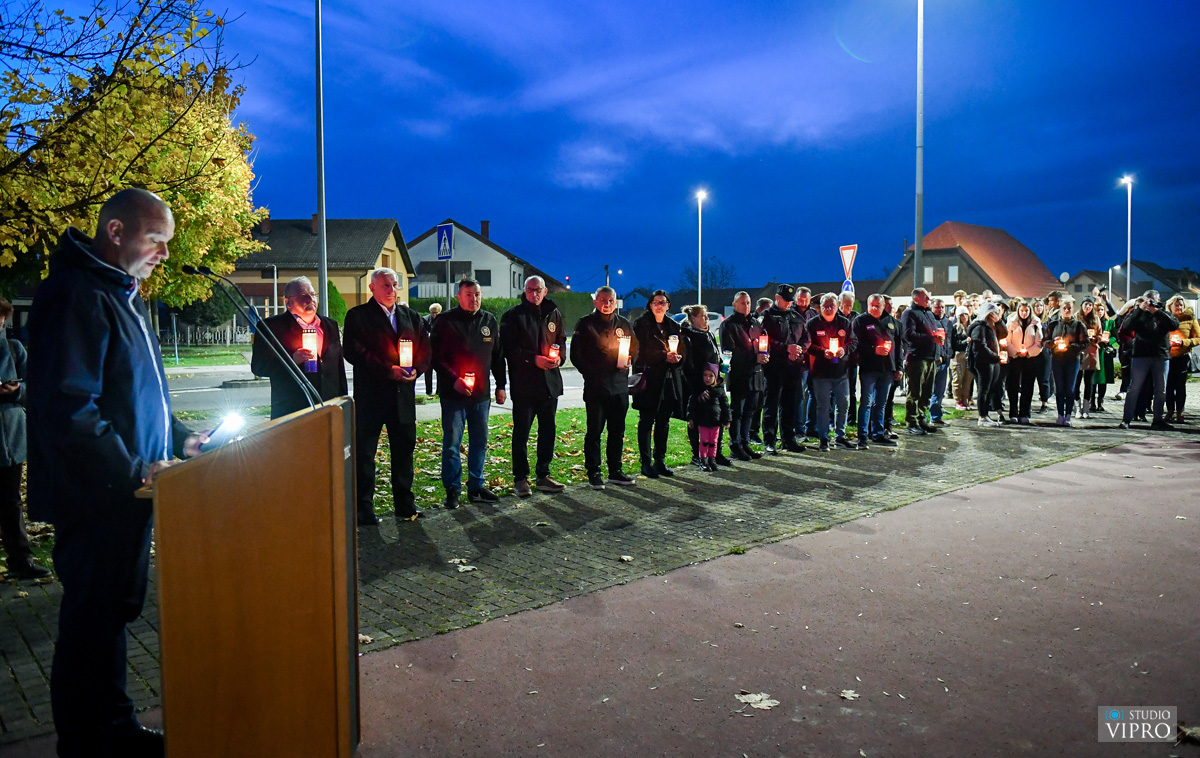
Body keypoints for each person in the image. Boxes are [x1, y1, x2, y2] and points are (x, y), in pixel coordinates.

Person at [27, 188, 207, 758]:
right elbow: (70, 408)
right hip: (98, 494)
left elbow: (141, 392)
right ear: (116, 232)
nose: (163, 254)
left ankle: (112, 728)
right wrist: (133, 470)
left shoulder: (121, 295)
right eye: (156, 240)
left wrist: (181, 437)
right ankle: (90, 740)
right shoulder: (77, 295)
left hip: (130, 490)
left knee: (109, 612)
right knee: (92, 615)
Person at [343, 267, 431, 524]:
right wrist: (386, 370)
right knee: (365, 455)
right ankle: (363, 508)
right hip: (372, 397)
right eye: (386, 286)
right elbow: (354, 351)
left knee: (404, 453)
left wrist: (417, 369)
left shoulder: (410, 316)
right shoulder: (358, 316)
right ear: (372, 288)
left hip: (403, 397)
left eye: (394, 285)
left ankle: (405, 504)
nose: (392, 290)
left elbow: (425, 347)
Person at [430, 278, 507, 506]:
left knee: (480, 442)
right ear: (458, 297)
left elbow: (497, 357)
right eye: (469, 295)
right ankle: (452, 489)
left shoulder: (489, 321)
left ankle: (476, 486)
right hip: (453, 395)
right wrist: (453, 380)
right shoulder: (445, 322)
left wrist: (501, 385)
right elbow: (436, 357)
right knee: (452, 443)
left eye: (477, 295)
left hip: (481, 395)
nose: (474, 299)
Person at [500, 276, 567, 498]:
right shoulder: (513, 316)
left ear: (545, 291)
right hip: (525, 384)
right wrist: (533, 359)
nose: (534, 294)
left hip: (549, 384)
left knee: (548, 431)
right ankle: (520, 478)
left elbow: (560, 340)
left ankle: (543, 475)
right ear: (525, 290)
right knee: (521, 433)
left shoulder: (554, 313)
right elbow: (509, 349)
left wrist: (560, 359)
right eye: (530, 290)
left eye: (537, 290)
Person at [0, 301, 50, 579]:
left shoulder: (14, 349)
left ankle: (20, 560)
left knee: (10, 501)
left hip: (11, 440)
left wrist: (17, 391)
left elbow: (39, 390)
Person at [250, 276, 347, 419]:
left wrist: (343, 401)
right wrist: (292, 360)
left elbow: (339, 368)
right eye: (303, 296)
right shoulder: (271, 327)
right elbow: (259, 367)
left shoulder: (330, 325)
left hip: (329, 407)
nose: (310, 299)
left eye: (313, 294)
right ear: (288, 303)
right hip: (293, 409)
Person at [570, 286, 639, 489]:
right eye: (602, 300)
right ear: (595, 301)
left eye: (610, 300)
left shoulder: (624, 324)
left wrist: (630, 359)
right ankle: (594, 471)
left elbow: (635, 347)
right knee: (594, 431)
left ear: (616, 302)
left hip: (619, 386)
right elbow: (576, 355)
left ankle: (615, 470)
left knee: (617, 431)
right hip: (596, 387)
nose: (606, 304)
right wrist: (591, 372)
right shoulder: (585, 324)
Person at [631, 290, 686, 478]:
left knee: (663, 422)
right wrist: (664, 356)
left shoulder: (674, 326)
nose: (659, 306)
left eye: (662, 302)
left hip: (669, 379)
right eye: (655, 302)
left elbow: (683, 351)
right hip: (650, 379)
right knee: (646, 421)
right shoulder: (642, 324)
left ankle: (659, 460)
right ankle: (645, 462)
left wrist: (677, 358)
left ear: (668, 305)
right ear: (650, 305)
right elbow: (639, 352)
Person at [1118, 290, 1180, 430]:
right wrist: (1140, 309)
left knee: (1160, 390)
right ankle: (1126, 419)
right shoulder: (1139, 314)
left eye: (1153, 300)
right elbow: (1127, 326)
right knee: (1134, 388)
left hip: (1161, 356)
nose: (1150, 303)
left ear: (1159, 300)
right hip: (1141, 355)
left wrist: (1156, 311)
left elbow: (1174, 325)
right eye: (1148, 300)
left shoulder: (1163, 313)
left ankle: (1157, 420)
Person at [681, 304, 732, 467]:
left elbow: (714, 355)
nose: (707, 319)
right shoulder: (688, 337)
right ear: (693, 319)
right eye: (703, 316)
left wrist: (722, 364)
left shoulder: (708, 333)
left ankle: (715, 453)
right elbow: (688, 367)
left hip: (714, 384)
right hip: (699, 386)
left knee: (716, 417)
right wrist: (698, 389)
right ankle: (698, 455)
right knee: (698, 421)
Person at [760, 285, 808, 454]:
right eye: (786, 301)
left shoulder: (796, 316)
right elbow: (766, 341)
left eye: (790, 301)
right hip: (775, 367)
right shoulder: (767, 317)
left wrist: (799, 349)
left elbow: (806, 337)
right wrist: (786, 348)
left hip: (793, 368)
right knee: (771, 405)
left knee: (790, 405)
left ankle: (788, 439)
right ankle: (770, 441)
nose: (789, 304)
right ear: (777, 298)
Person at [806, 293, 857, 451]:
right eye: (825, 306)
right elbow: (808, 344)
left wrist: (844, 349)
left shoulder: (845, 323)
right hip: (821, 373)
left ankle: (840, 436)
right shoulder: (812, 324)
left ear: (837, 307)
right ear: (820, 307)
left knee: (843, 404)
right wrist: (822, 352)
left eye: (831, 306)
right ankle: (823, 438)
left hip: (841, 372)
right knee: (823, 406)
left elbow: (853, 341)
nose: (828, 309)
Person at [720, 292, 766, 461]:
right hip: (740, 375)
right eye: (742, 303)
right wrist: (755, 357)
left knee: (750, 411)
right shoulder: (729, 325)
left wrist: (764, 354)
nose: (746, 306)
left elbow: (763, 342)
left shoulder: (755, 323)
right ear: (734, 304)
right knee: (737, 411)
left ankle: (745, 442)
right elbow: (729, 351)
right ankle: (735, 445)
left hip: (755, 374)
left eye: (748, 303)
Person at [852, 295, 899, 449]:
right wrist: (873, 350)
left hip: (887, 368)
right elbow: (856, 344)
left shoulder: (892, 322)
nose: (874, 308)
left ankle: (878, 433)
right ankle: (862, 437)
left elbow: (898, 347)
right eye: (871, 305)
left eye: (877, 305)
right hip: (869, 368)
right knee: (866, 402)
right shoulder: (860, 321)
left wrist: (899, 367)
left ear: (883, 305)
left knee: (881, 402)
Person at [900, 288, 942, 435]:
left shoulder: (929, 313)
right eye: (926, 297)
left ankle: (921, 418)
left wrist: (938, 352)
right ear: (916, 298)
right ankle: (911, 421)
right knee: (915, 391)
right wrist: (931, 339)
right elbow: (908, 335)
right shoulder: (909, 313)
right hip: (917, 358)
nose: (929, 299)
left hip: (931, 358)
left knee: (927, 391)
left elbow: (934, 333)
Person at [1046, 299, 1088, 426]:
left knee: (1070, 388)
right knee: (1059, 388)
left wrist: (1070, 346)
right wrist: (1054, 343)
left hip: (1072, 360)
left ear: (1073, 309)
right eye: (1064, 308)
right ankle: (1060, 415)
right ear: (1061, 309)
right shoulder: (1053, 324)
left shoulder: (1079, 325)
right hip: (1057, 359)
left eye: (1069, 308)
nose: (1066, 310)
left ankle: (1068, 415)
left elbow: (1085, 343)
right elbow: (1045, 341)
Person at [1004, 301, 1042, 425]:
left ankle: (1025, 412)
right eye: (1022, 311)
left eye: (1026, 311)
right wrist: (1015, 352)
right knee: (1013, 386)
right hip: (1015, 358)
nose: (1024, 313)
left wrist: (1029, 352)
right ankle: (1013, 412)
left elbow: (1039, 342)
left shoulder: (1036, 323)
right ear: (1018, 311)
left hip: (1029, 359)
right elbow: (1007, 341)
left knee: (1028, 386)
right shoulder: (1011, 323)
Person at [687, 363, 730, 472]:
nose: (707, 378)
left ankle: (712, 459)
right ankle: (703, 459)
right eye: (705, 375)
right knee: (704, 441)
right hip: (703, 421)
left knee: (714, 442)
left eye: (711, 376)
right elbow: (691, 405)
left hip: (716, 422)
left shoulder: (719, 391)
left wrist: (727, 420)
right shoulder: (699, 392)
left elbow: (725, 406)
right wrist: (690, 418)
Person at [967, 302, 1003, 427]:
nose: (996, 314)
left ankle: (986, 415)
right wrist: (994, 357)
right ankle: (982, 416)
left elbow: (1004, 333)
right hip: (983, 362)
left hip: (992, 361)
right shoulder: (980, 327)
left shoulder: (992, 325)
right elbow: (979, 346)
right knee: (983, 389)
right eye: (993, 312)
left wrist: (999, 321)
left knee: (990, 388)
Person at [1165, 296, 1199, 424]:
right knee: (1168, 386)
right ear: (1170, 306)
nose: (1179, 308)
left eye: (1181, 305)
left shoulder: (1190, 320)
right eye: (1176, 305)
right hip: (1167, 357)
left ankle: (1180, 412)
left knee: (1180, 387)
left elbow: (1198, 338)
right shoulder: (1166, 319)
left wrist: (1184, 342)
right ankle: (1169, 411)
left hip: (1182, 358)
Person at [792, 287, 818, 441]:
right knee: (799, 395)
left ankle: (811, 426)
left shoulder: (813, 314)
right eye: (800, 299)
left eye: (805, 299)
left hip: (813, 360)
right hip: (799, 362)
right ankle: (798, 428)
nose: (803, 302)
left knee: (814, 394)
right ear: (796, 298)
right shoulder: (792, 314)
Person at [747, 296, 774, 444]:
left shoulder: (762, 325)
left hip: (764, 367)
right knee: (753, 404)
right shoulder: (755, 323)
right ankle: (751, 432)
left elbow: (766, 341)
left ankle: (757, 431)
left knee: (761, 402)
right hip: (752, 368)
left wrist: (766, 353)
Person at [1076, 297, 1105, 418]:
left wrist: (1095, 339)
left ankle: (1086, 408)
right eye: (1086, 304)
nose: (1088, 307)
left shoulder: (1096, 318)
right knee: (1076, 381)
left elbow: (1100, 334)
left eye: (1090, 305)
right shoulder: (1076, 317)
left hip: (1092, 351)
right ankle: (1077, 407)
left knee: (1089, 382)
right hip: (1078, 351)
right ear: (1081, 305)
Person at [929, 298, 954, 426]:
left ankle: (936, 416)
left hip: (945, 360)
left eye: (943, 307)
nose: (940, 310)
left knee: (940, 390)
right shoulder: (930, 321)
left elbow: (950, 340)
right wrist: (936, 356)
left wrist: (950, 354)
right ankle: (928, 416)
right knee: (930, 390)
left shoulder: (948, 323)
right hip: (934, 361)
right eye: (937, 307)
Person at [1031, 299, 1053, 413]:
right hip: (1030, 353)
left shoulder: (1048, 321)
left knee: (1044, 379)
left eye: (1040, 306)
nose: (1038, 308)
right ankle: (1027, 402)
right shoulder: (1030, 321)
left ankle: (1044, 403)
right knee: (1029, 379)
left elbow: (1049, 335)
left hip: (1044, 354)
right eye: (1036, 306)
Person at [951, 309, 974, 410]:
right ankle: (958, 400)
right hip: (959, 354)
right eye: (961, 315)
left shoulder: (972, 327)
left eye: (966, 314)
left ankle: (965, 399)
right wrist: (965, 341)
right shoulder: (955, 328)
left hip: (970, 355)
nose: (964, 317)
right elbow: (954, 343)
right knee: (958, 378)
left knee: (968, 379)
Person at [422, 302, 442, 395]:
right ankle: (428, 391)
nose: (434, 314)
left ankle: (439, 391)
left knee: (440, 373)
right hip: (428, 350)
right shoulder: (425, 320)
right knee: (428, 372)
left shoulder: (442, 320)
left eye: (436, 312)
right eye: (432, 312)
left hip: (439, 351)